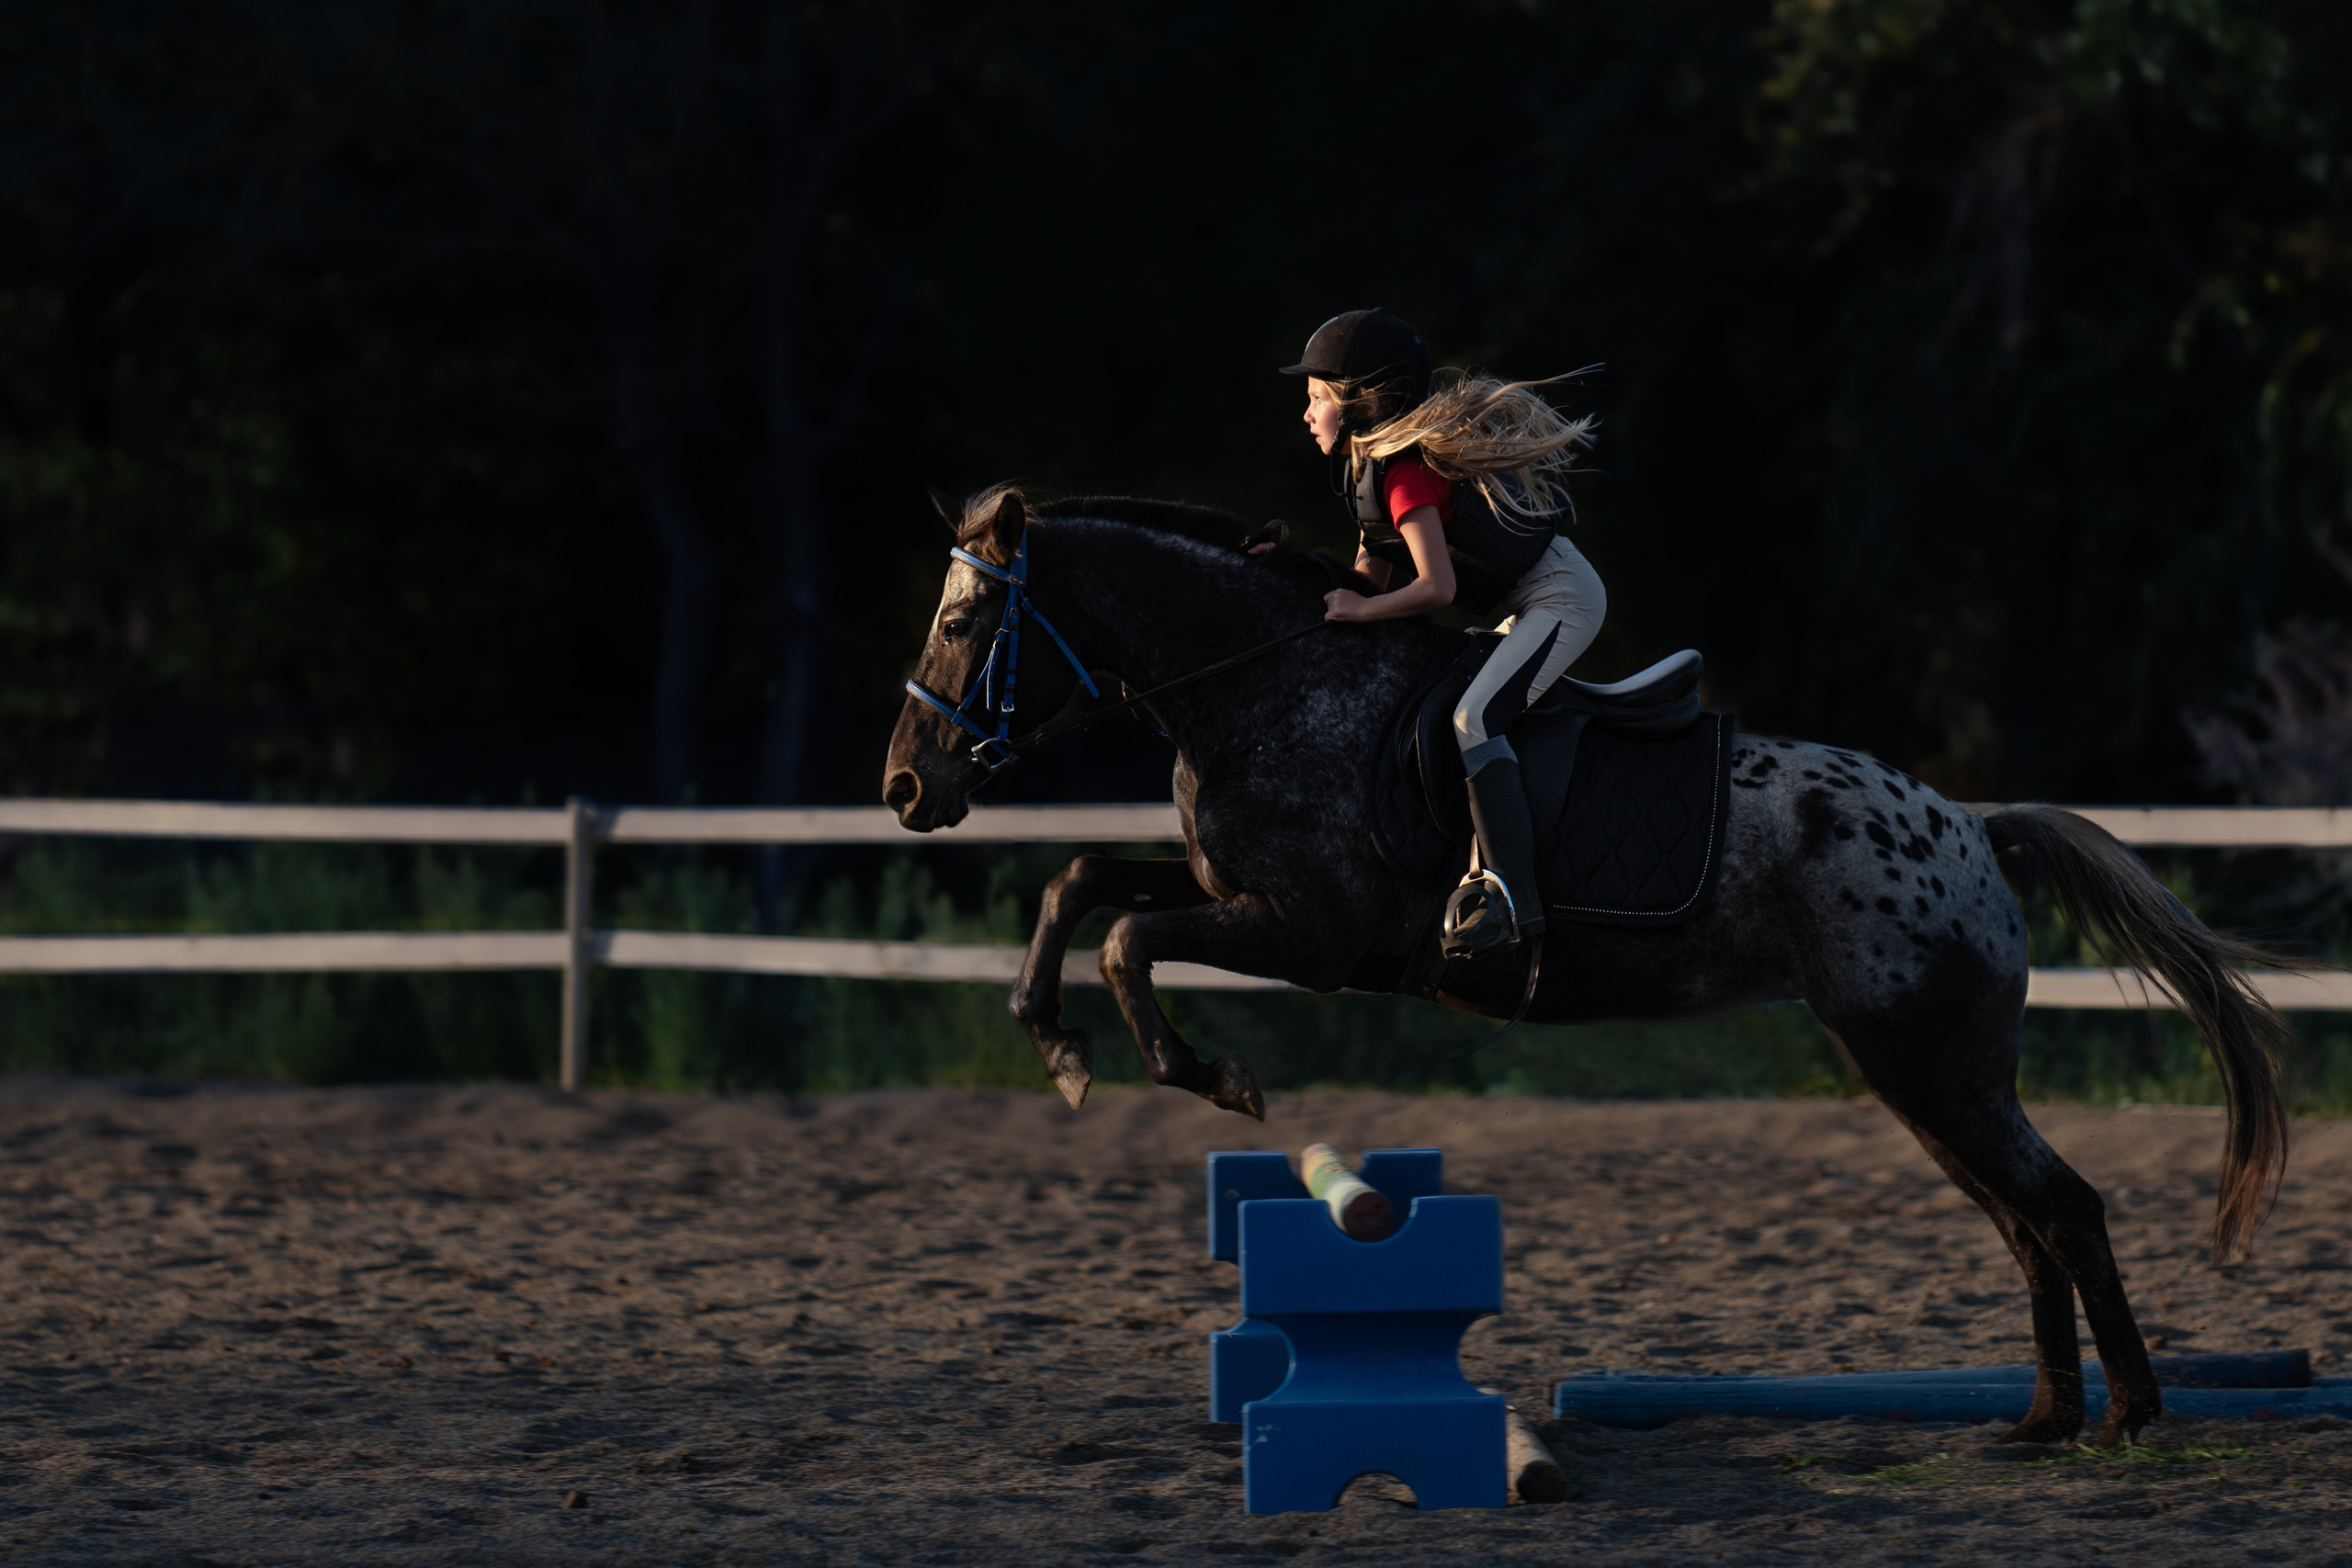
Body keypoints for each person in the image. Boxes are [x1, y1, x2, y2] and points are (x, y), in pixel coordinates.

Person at [1279, 308, 1605, 958]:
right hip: (1529, 601)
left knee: (1474, 720)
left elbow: (1436, 590)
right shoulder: (1365, 472)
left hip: (1561, 599)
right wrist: (1289, 574)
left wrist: (1359, 611)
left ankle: (1509, 898)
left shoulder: (1402, 474)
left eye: (1317, 399)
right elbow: (1366, 579)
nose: (1308, 414)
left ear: (1363, 402)